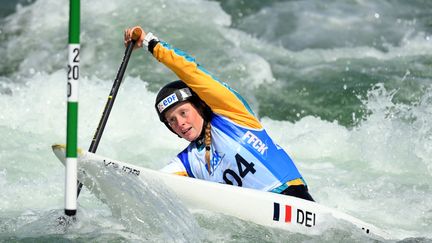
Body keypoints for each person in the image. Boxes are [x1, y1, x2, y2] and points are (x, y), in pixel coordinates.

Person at [124, 26, 314, 202]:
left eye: (183, 112)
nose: (180, 123)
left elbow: (192, 72)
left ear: (200, 107)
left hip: (294, 199)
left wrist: (149, 43)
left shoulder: (233, 115)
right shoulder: (187, 162)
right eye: (172, 120)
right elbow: (154, 182)